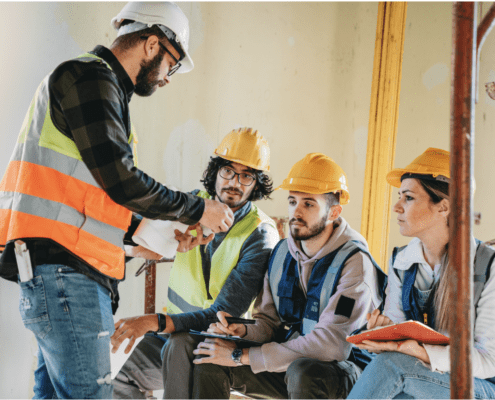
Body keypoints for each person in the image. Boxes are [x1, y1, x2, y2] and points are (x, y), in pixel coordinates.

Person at [0, 2, 235, 398]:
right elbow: (122, 180)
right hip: (65, 276)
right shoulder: (90, 78)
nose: (167, 78)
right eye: (172, 64)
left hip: (63, 273)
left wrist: (151, 237)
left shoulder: (102, 90)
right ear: (151, 44)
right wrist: (199, 208)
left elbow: (96, 198)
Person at [190, 152, 387, 399]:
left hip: (347, 371)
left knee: (304, 371)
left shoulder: (355, 263)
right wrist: (241, 331)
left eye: (308, 204)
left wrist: (240, 356)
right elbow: (268, 324)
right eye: (293, 201)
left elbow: (330, 345)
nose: (296, 212)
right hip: (292, 363)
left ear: (334, 212)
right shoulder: (282, 253)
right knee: (210, 356)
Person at [111, 127, 280, 399]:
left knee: (179, 347)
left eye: (246, 176)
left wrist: (151, 321)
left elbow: (220, 314)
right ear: (214, 172)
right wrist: (151, 246)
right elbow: (139, 243)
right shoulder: (190, 205)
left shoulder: (260, 234)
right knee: (117, 370)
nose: (234, 182)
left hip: (221, 341)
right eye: (227, 171)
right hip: (173, 333)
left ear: (256, 185)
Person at [347, 147, 495, 399]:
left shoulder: (488, 266)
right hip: (425, 378)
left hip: (479, 388)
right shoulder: (402, 263)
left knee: (392, 367)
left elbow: (488, 360)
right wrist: (387, 333)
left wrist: (418, 352)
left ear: (443, 207)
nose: (396, 207)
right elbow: (399, 334)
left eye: (408, 197)